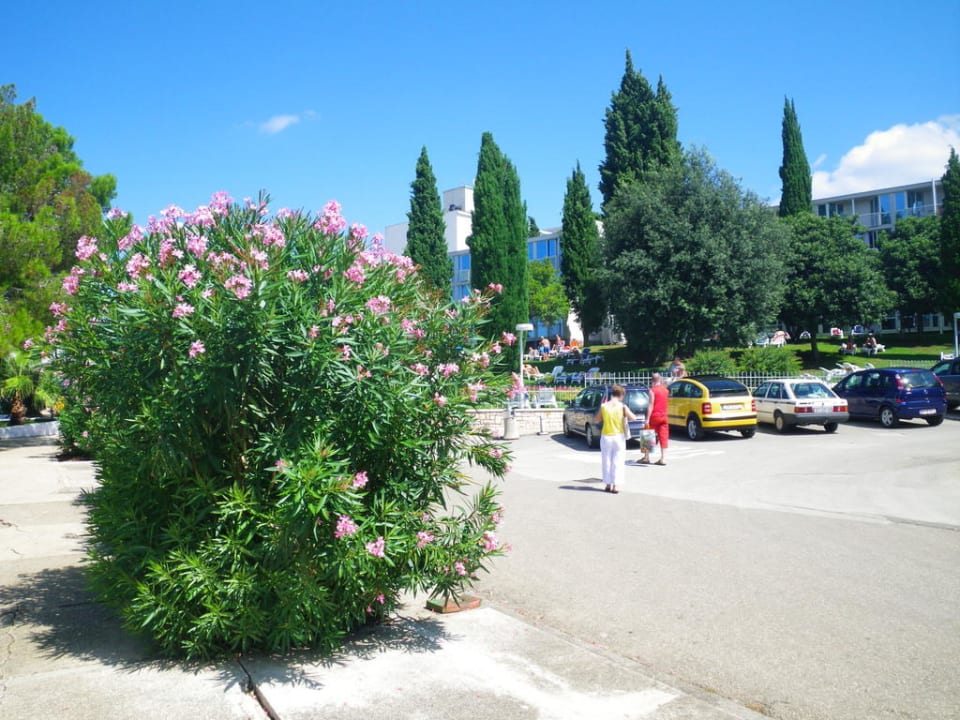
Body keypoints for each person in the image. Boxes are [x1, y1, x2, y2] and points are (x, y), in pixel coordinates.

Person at [594, 384, 638, 494]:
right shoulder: (622, 406)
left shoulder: (604, 406)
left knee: (606, 461)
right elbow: (634, 418)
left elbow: (596, 420)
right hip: (619, 436)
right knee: (618, 461)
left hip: (606, 436)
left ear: (612, 394)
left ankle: (608, 484)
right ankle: (616, 485)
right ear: (621, 395)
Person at [641, 373, 669, 466]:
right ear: (660, 379)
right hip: (664, 416)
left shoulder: (652, 390)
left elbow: (651, 405)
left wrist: (647, 419)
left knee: (647, 434)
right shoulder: (666, 390)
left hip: (654, 416)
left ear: (652, 380)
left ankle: (646, 458)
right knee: (663, 436)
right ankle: (663, 458)